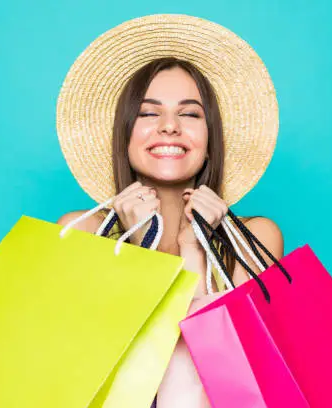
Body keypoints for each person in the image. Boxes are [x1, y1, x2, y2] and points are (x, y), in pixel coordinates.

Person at [55, 14, 284, 407]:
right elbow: (83, 371)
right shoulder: (80, 232)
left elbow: (237, 379)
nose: (169, 127)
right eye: (148, 113)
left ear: (210, 140)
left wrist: (195, 252)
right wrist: (137, 251)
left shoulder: (255, 240)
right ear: (124, 135)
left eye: (190, 113)